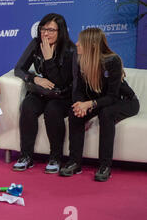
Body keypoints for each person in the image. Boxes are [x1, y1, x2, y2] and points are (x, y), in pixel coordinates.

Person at [59, 28, 139, 181]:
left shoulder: (112, 61)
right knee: (74, 112)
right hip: (101, 101)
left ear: (92, 45)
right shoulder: (80, 60)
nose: (76, 44)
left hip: (125, 101)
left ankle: (105, 166)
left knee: (106, 113)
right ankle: (74, 162)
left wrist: (89, 104)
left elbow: (113, 96)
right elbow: (78, 89)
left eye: (81, 42)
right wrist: (80, 105)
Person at [13, 13, 76, 173]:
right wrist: (34, 79)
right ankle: (26, 156)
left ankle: (55, 157)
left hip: (62, 95)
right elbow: (19, 69)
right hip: (42, 93)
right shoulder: (36, 44)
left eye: (51, 30)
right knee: (27, 105)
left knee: (52, 110)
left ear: (60, 31)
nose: (45, 33)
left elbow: (60, 83)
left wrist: (49, 60)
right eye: (43, 29)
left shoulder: (70, 49)